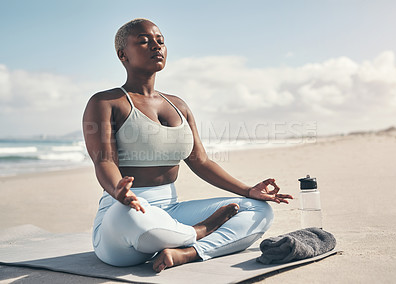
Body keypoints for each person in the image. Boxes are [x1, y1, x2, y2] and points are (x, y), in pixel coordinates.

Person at [82, 18, 293, 273]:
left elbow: (200, 161)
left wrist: (249, 190)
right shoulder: (106, 102)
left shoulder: (178, 105)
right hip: (124, 217)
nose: (156, 46)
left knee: (259, 210)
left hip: (171, 211)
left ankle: (189, 252)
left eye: (160, 41)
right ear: (122, 54)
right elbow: (104, 160)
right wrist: (120, 192)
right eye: (144, 41)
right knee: (133, 219)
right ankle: (200, 230)